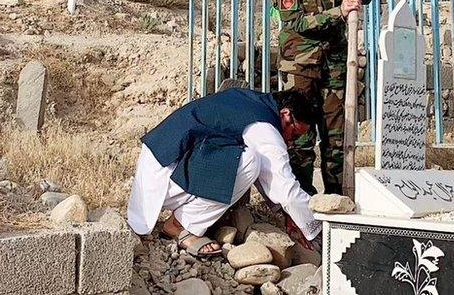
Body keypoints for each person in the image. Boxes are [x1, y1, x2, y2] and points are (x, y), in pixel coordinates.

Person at [126, 87, 320, 258]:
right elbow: (284, 187)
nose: (291, 142)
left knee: (252, 160)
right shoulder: (264, 126)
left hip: (164, 163)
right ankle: (180, 225)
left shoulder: (252, 101)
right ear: (286, 115)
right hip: (166, 175)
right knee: (249, 162)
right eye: (294, 134)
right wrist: (318, 227)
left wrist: (288, 215)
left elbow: (268, 173)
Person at [269, 0, 372, 196]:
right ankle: (302, 204)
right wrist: (337, 12)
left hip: (335, 64)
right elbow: (296, 22)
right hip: (299, 66)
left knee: (336, 138)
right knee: (301, 139)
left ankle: (337, 201)